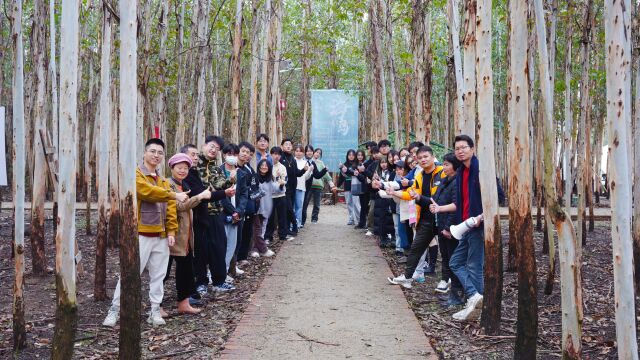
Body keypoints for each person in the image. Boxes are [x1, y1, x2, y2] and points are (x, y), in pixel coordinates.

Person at [103, 138, 185, 327]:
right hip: (140, 234)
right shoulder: (136, 175)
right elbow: (146, 192)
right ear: (145, 153)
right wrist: (173, 194)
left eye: (160, 153)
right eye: (153, 151)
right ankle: (115, 310)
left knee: (159, 275)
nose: (156, 155)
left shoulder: (164, 181)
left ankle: (155, 310)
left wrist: (171, 230)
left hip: (162, 236)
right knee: (130, 273)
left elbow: (171, 208)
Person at [184, 135, 237, 295]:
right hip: (198, 212)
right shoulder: (193, 165)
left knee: (218, 247)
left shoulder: (215, 167)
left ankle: (219, 281)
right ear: (204, 145)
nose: (213, 150)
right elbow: (201, 190)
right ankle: (200, 282)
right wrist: (221, 191)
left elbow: (220, 184)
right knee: (200, 249)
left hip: (215, 212)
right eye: (211, 146)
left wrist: (230, 181)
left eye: (217, 149)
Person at [386, 146, 444, 289]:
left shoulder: (442, 173)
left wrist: (419, 197)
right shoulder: (419, 176)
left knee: (448, 252)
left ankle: (447, 281)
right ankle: (407, 277)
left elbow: (438, 198)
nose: (423, 160)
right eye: (420, 158)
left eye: (426, 156)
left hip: (443, 217)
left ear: (432, 157)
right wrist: (394, 192)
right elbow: (411, 194)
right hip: (425, 218)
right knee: (416, 248)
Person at [165, 153, 212, 315]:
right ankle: (156, 306)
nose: (183, 171)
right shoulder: (168, 184)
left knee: (185, 271)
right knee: (163, 272)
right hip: (172, 235)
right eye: (179, 168)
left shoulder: (184, 184)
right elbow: (179, 206)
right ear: (172, 168)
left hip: (186, 235)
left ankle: (183, 303)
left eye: (185, 168)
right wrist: (200, 196)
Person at [446, 135, 485, 320]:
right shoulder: (461, 171)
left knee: (474, 265)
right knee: (455, 263)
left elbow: (498, 196)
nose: (460, 151)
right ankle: (475, 298)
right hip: (465, 225)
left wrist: (482, 217)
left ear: (472, 149)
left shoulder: (480, 168)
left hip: (478, 225)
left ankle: (479, 306)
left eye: (464, 147)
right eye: (457, 148)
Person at [429, 153, 464, 306]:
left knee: (454, 260)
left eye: (447, 164)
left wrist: (448, 228)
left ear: (455, 166)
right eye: (443, 164)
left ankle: (457, 295)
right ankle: (451, 292)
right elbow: (437, 200)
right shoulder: (444, 181)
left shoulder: (457, 183)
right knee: (446, 258)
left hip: (451, 228)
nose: (444, 167)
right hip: (441, 224)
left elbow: (456, 208)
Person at [220, 144, 248, 280]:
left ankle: (224, 272)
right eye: (229, 154)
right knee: (220, 244)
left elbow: (244, 194)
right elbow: (219, 195)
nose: (232, 157)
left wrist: (239, 211)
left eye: (235, 154)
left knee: (232, 244)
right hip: (222, 214)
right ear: (224, 155)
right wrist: (232, 211)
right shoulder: (217, 172)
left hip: (237, 215)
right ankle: (216, 273)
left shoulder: (242, 174)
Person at [250, 159, 280, 257]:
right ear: (258, 166)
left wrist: (281, 183)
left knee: (262, 228)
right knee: (257, 228)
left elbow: (276, 189)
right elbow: (252, 191)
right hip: (256, 207)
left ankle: (255, 249)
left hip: (266, 206)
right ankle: (263, 249)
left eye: (266, 166)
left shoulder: (269, 179)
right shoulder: (254, 177)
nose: (264, 167)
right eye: (262, 165)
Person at [264, 146, 294, 241]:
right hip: (269, 196)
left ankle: (283, 235)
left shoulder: (282, 167)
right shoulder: (267, 165)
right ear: (271, 154)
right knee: (270, 217)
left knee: (282, 216)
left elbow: (284, 180)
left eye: (278, 154)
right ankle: (268, 236)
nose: (276, 156)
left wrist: (281, 183)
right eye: (274, 154)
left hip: (281, 195)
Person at [237, 141, 259, 266]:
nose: (247, 155)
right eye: (244, 152)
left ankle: (242, 256)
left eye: (249, 153)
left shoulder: (249, 169)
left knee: (246, 232)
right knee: (238, 233)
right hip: (238, 206)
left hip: (250, 206)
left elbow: (254, 187)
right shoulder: (232, 167)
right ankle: (235, 259)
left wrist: (255, 202)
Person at [305, 148, 337, 224]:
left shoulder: (321, 163)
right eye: (316, 152)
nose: (317, 154)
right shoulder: (308, 161)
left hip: (318, 186)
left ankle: (314, 219)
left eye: (319, 153)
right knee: (305, 203)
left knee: (316, 204)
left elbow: (326, 175)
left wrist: (332, 185)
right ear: (313, 152)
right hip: (308, 185)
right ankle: (303, 219)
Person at [281, 138, 306, 234]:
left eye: (290, 145)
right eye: (286, 144)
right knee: (289, 208)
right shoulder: (281, 157)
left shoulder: (292, 159)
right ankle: (294, 226)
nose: (288, 146)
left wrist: (304, 170)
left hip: (292, 188)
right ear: (282, 146)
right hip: (283, 188)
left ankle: (287, 229)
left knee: (288, 209)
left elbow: (297, 174)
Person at [293, 144, 314, 229]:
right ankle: (291, 224)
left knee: (299, 207)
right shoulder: (292, 161)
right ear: (294, 152)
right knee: (292, 207)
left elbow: (306, 177)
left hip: (301, 187)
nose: (298, 153)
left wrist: (309, 171)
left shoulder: (305, 162)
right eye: (297, 151)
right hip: (291, 187)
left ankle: (297, 223)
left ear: (303, 153)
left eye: (300, 151)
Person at [338, 149, 360, 226]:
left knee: (356, 203)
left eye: (353, 155)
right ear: (347, 156)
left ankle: (358, 218)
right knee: (348, 203)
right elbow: (341, 177)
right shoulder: (344, 165)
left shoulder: (357, 164)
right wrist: (337, 185)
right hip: (347, 186)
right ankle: (351, 218)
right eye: (349, 155)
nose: (351, 156)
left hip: (356, 186)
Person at [355, 149, 370, 230]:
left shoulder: (366, 164)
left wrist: (358, 174)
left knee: (365, 206)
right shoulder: (356, 164)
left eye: (361, 155)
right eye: (358, 155)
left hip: (366, 188)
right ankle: (362, 223)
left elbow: (364, 177)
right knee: (363, 206)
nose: (360, 157)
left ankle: (364, 223)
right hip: (360, 188)